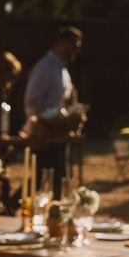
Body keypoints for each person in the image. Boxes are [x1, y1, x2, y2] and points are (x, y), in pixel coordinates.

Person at [22, 26, 86, 195]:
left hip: (58, 133)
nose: (77, 50)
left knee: (57, 178)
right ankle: (14, 207)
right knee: (41, 179)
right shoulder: (45, 67)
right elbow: (32, 100)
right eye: (74, 45)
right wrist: (57, 114)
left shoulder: (62, 69)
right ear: (62, 44)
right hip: (44, 133)